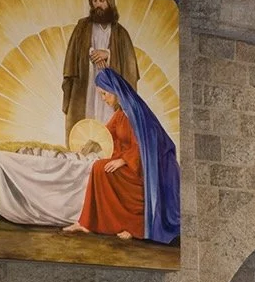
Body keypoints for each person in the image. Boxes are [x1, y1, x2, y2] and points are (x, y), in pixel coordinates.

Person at [63, 68, 180, 243]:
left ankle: (135, 227)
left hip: (142, 169)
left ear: (115, 90)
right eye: (101, 95)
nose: (104, 99)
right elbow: (105, 134)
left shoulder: (134, 111)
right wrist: (90, 144)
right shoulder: (120, 113)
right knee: (98, 167)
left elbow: (146, 144)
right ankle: (86, 223)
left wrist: (123, 160)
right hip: (128, 163)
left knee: (101, 168)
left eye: (105, 94)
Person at [61, 0, 140, 142]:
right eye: (94, 1)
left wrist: (108, 55)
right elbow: (72, 56)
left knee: (108, 125)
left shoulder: (120, 33)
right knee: (86, 123)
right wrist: (90, 53)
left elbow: (130, 67)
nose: (97, 4)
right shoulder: (82, 27)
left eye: (101, 0)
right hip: (86, 85)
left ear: (109, 1)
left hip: (110, 89)